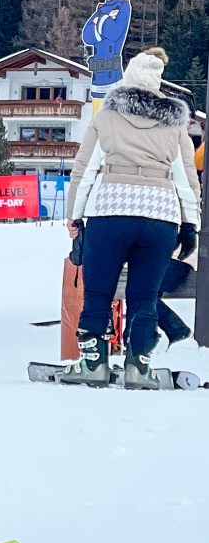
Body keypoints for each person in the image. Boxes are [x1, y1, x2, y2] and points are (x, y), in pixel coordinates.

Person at [63, 48, 201, 388]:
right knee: (143, 294)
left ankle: (93, 365)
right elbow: (186, 179)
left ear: (127, 79)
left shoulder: (107, 117)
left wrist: (75, 215)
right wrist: (190, 225)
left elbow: (85, 169)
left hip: (110, 213)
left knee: (98, 292)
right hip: (160, 218)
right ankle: (139, 368)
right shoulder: (175, 124)